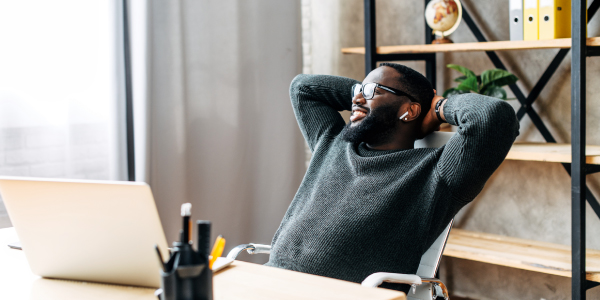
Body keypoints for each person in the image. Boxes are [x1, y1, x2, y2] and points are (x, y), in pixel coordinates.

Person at [264, 63, 519, 291]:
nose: (357, 99)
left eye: (373, 90)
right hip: (267, 282)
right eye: (357, 92)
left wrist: (438, 107)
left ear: (409, 111)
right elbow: (302, 88)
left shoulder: (438, 174)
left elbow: (493, 117)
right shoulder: (332, 143)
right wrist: (365, 92)